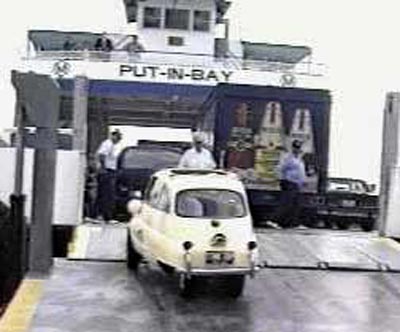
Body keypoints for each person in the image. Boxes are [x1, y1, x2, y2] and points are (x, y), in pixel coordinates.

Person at [275, 139, 306, 228]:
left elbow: (300, 171)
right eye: (295, 147)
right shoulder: (288, 157)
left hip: (296, 184)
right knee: (286, 203)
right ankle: (275, 221)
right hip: (289, 182)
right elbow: (281, 168)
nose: (297, 149)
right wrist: (283, 179)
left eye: (298, 148)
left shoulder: (299, 158)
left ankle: (293, 223)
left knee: (295, 205)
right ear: (292, 148)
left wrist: (302, 181)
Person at [95, 130, 122, 224]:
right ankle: (106, 217)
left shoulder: (112, 145)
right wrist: (103, 168)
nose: (119, 139)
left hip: (109, 171)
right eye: (118, 137)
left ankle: (100, 215)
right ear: (113, 136)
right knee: (107, 195)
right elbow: (101, 155)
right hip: (107, 172)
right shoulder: (108, 144)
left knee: (104, 195)